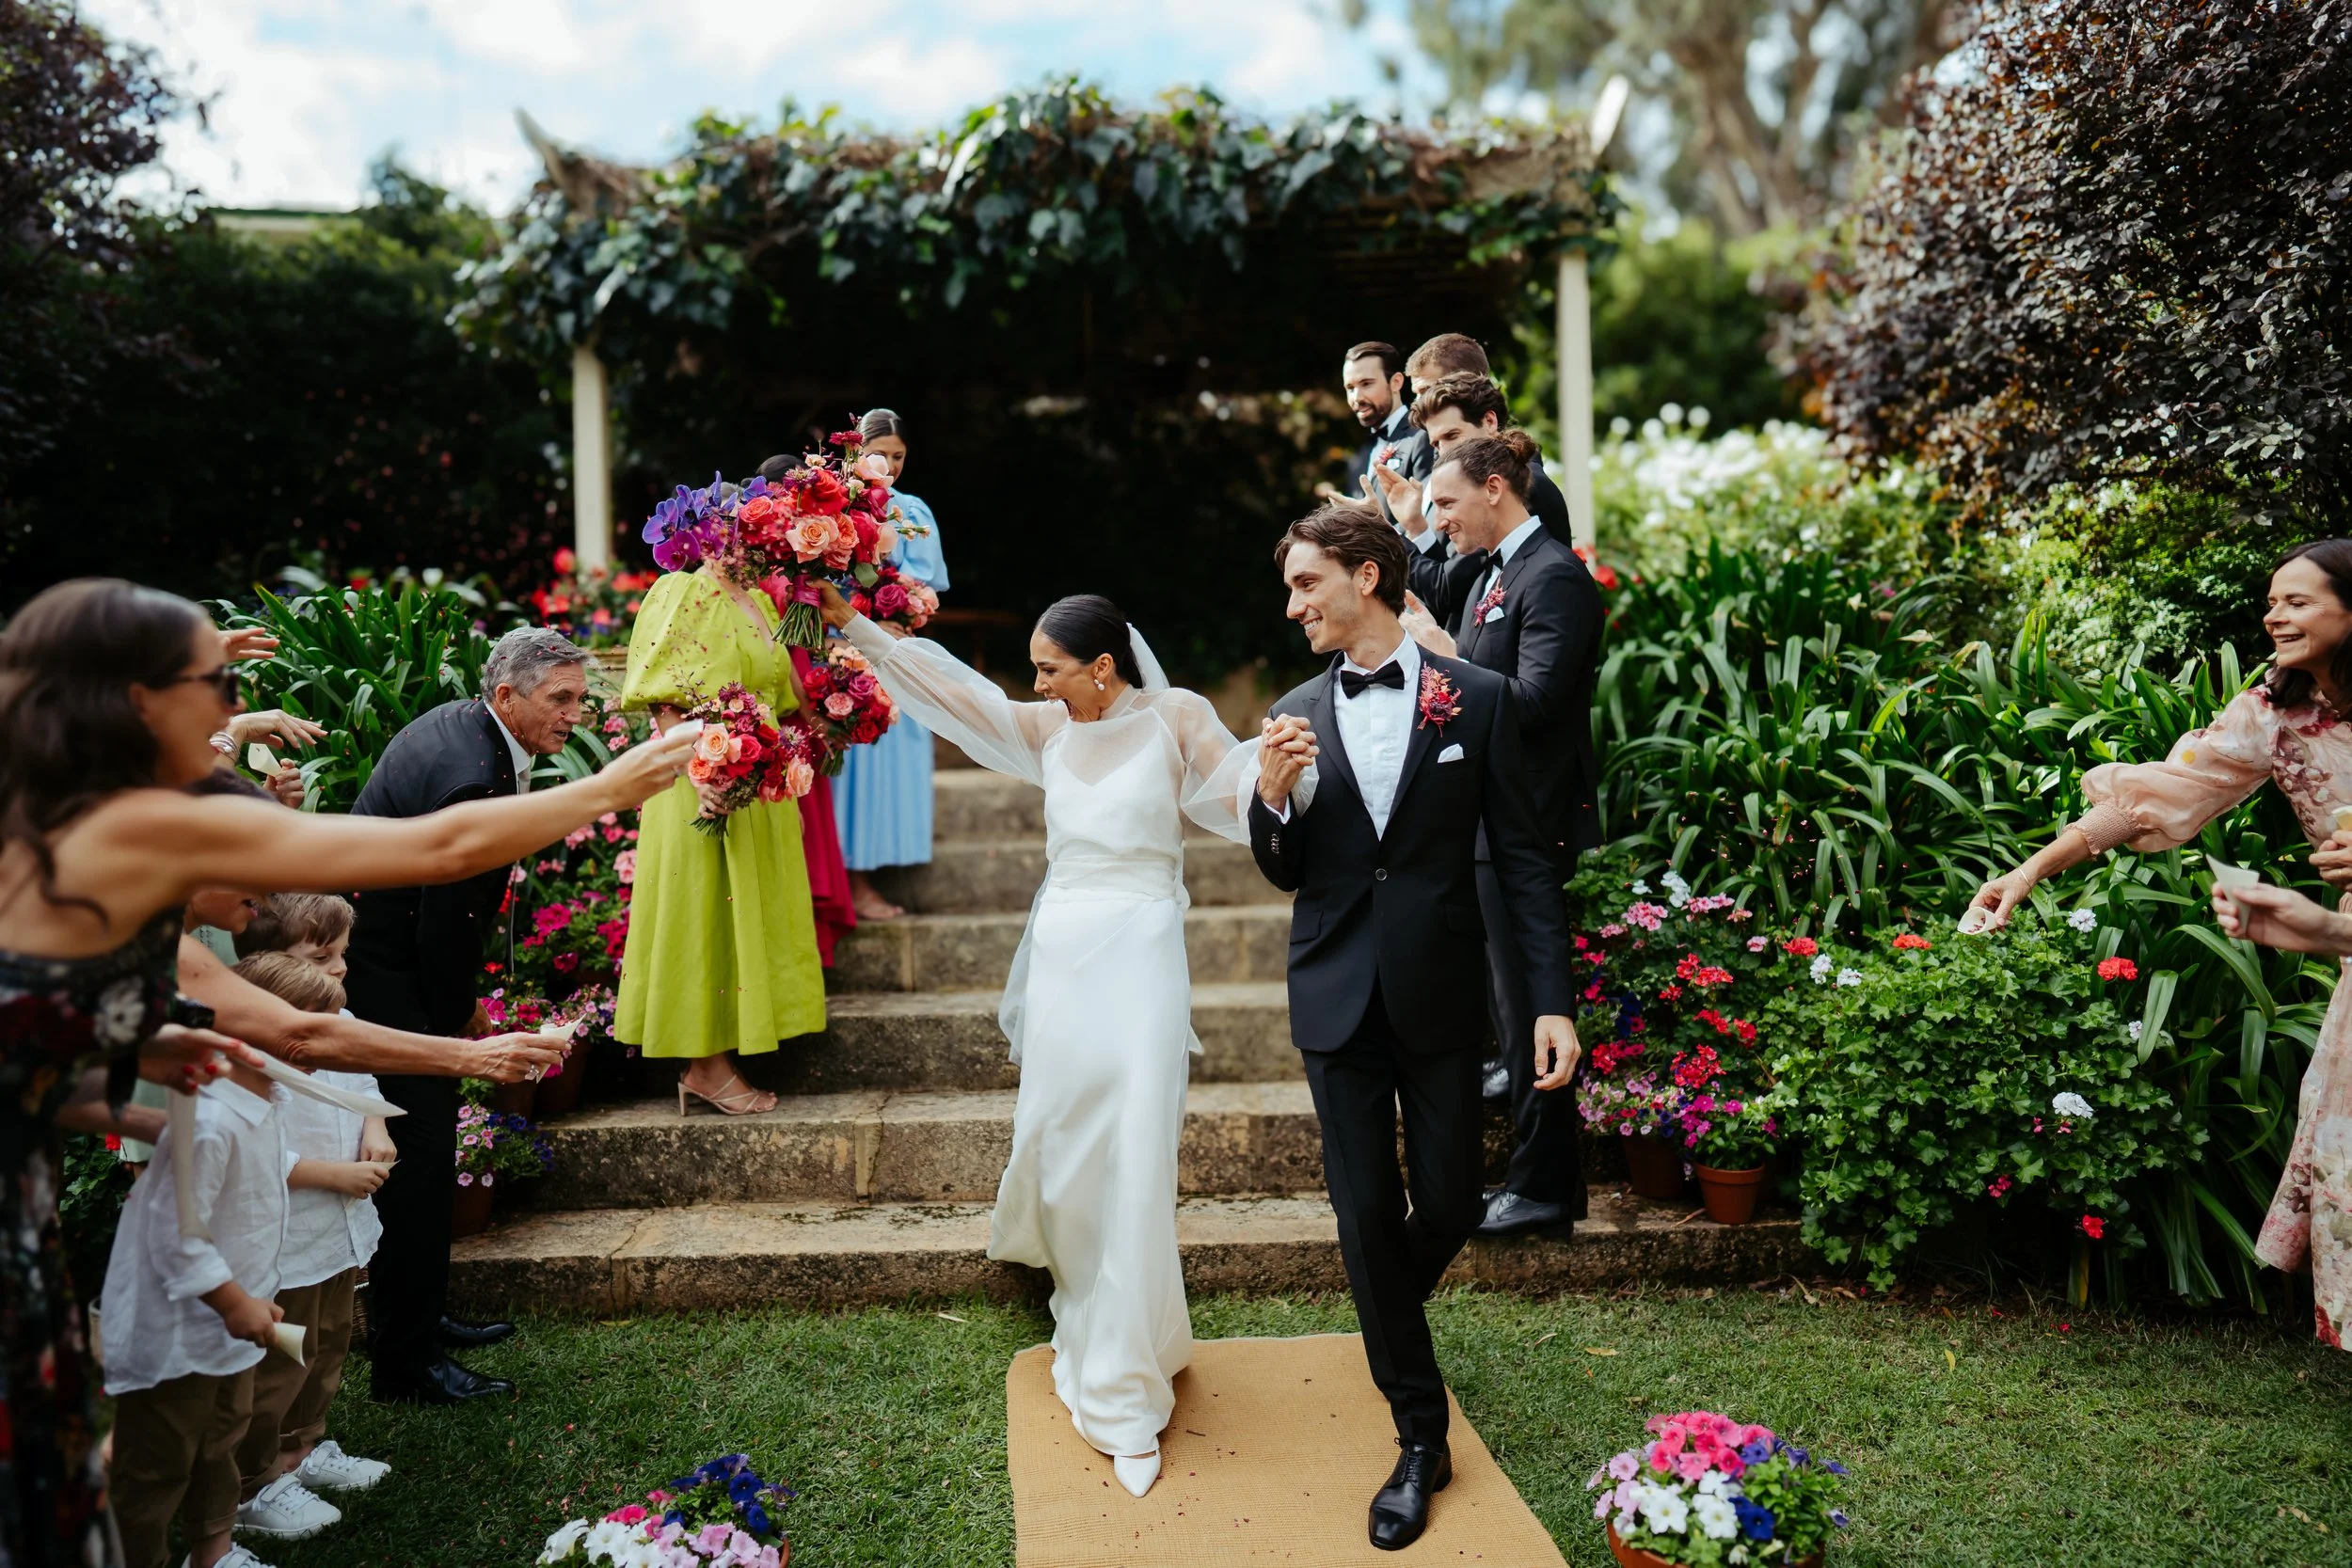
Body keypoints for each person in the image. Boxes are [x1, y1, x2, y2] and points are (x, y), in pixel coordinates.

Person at [0, 578, 693, 1566]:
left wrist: (138, 1052)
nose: (231, 701)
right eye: (216, 678)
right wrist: (612, 787)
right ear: (138, 699)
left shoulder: (83, 809)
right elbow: (432, 853)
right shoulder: (127, 828)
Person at [816, 579, 1279, 1500]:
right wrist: (855, 626)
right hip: (1065, 950)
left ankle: (1123, 1374)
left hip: (1144, 944)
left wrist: (1278, 769)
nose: (1036, 686)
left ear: (1103, 667)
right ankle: (1089, 1306)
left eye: (1050, 669)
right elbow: (956, 694)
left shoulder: (1174, 716)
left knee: (1138, 1142)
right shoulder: (1047, 731)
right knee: (1067, 1143)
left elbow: (1234, 791)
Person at [1247, 499, 1580, 1551]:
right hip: (1335, 996)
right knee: (1361, 1209)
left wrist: (1552, 998)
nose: (1293, 603)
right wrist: (1272, 797)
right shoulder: (1294, 707)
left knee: (1448, 1198)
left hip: (1440, 994)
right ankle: (1419, 1437)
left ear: (1367, 576)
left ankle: (1384, 1306)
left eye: (1307, 582)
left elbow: (1523, 859)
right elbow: (1285, 868)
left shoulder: (1475, 700)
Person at [1965, 539, 2352, 1350]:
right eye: (2271, 601)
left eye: (2297, 601)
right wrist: (2030, 871)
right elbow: (2162, 798)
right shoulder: (2273, 714)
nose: (2274, 614)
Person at [345, 626, 584, 1404]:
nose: (574, 716)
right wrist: (455, 1026)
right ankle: (405, 1365)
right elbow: (441, 924)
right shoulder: (473, 776)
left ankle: (422, 1316)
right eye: (561, 699)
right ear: (508, 695)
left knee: (428, 1159)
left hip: (397, 969)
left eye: (580, 699)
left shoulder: (473, 729)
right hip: (387, 982)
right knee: (416, 1171)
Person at [1405, 432, 1604, 1237]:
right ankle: (1534, 1176)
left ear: (1495, 488)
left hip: (1530, 824)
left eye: (1446, 502)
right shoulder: (1496, 573)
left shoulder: (1554, 577)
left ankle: (1546, 1185)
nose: (1437, 519)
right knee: (1508, 1004)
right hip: (1488, 823)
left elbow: (1535, 706)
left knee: (1533, 1008)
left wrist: (1447, 657)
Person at [616, 540, 828, 1112]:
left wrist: (835, 713)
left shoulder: (759, 598)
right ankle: (703, 1067)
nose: (757, 546)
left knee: (744, 909)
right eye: (743, 534)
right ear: (709, 536)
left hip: (757, 776)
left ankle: (726, 1051)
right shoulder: (684, 591)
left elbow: (777, 695)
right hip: (701, 775)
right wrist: (702, 769)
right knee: (703, 910)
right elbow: (665, 701)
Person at [98, 1040, 291, 1568]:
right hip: (178, 1335)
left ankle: (213, 1551)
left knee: (220, 1444)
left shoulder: (268, 1105)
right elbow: (173, 1236)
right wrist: (233, 1303)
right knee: (155, 1468)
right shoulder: (210, 1122)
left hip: (230, 1329)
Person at [229, 949, 391, 1544]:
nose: (343, 966)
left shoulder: (329, 1025)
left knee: (325, 1345)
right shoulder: (248, 1069)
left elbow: (364, 1082)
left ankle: (303, 1450)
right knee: (282, 1361)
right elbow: (255, 1150)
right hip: (288, 1240)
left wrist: (376, 1128)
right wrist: (331, 1175)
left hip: (336, 1233)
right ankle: (254, 1484)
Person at [832, 407, 952, 922]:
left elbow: (924, 586)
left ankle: (874, 877)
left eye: (899, 456)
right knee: (853, 768)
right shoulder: (828, 508)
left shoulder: (913, 512)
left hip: (897, 654)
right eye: (879, 453)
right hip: (838, 650)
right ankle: (850, 883)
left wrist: (902, 609)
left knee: (889, 761)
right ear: (855, 452)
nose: (890, 464)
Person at [1342, 341, 1414, 528]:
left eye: (1366, 384)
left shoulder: (1423, 437)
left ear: (1396, 382)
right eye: (1350, 388)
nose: (1356, 398)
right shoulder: (1360, 454)